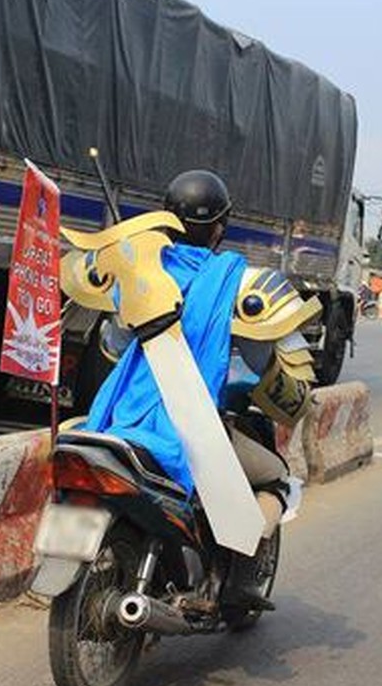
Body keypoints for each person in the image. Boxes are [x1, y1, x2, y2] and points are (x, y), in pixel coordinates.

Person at [74, 169, 319, 612]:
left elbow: (112, 348)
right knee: (275, 478)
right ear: (220, 228)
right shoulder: (237, 285)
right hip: (191, 427)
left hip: (117, 418)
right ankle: (239, 580)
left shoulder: (137, 274)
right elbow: (268, 367)